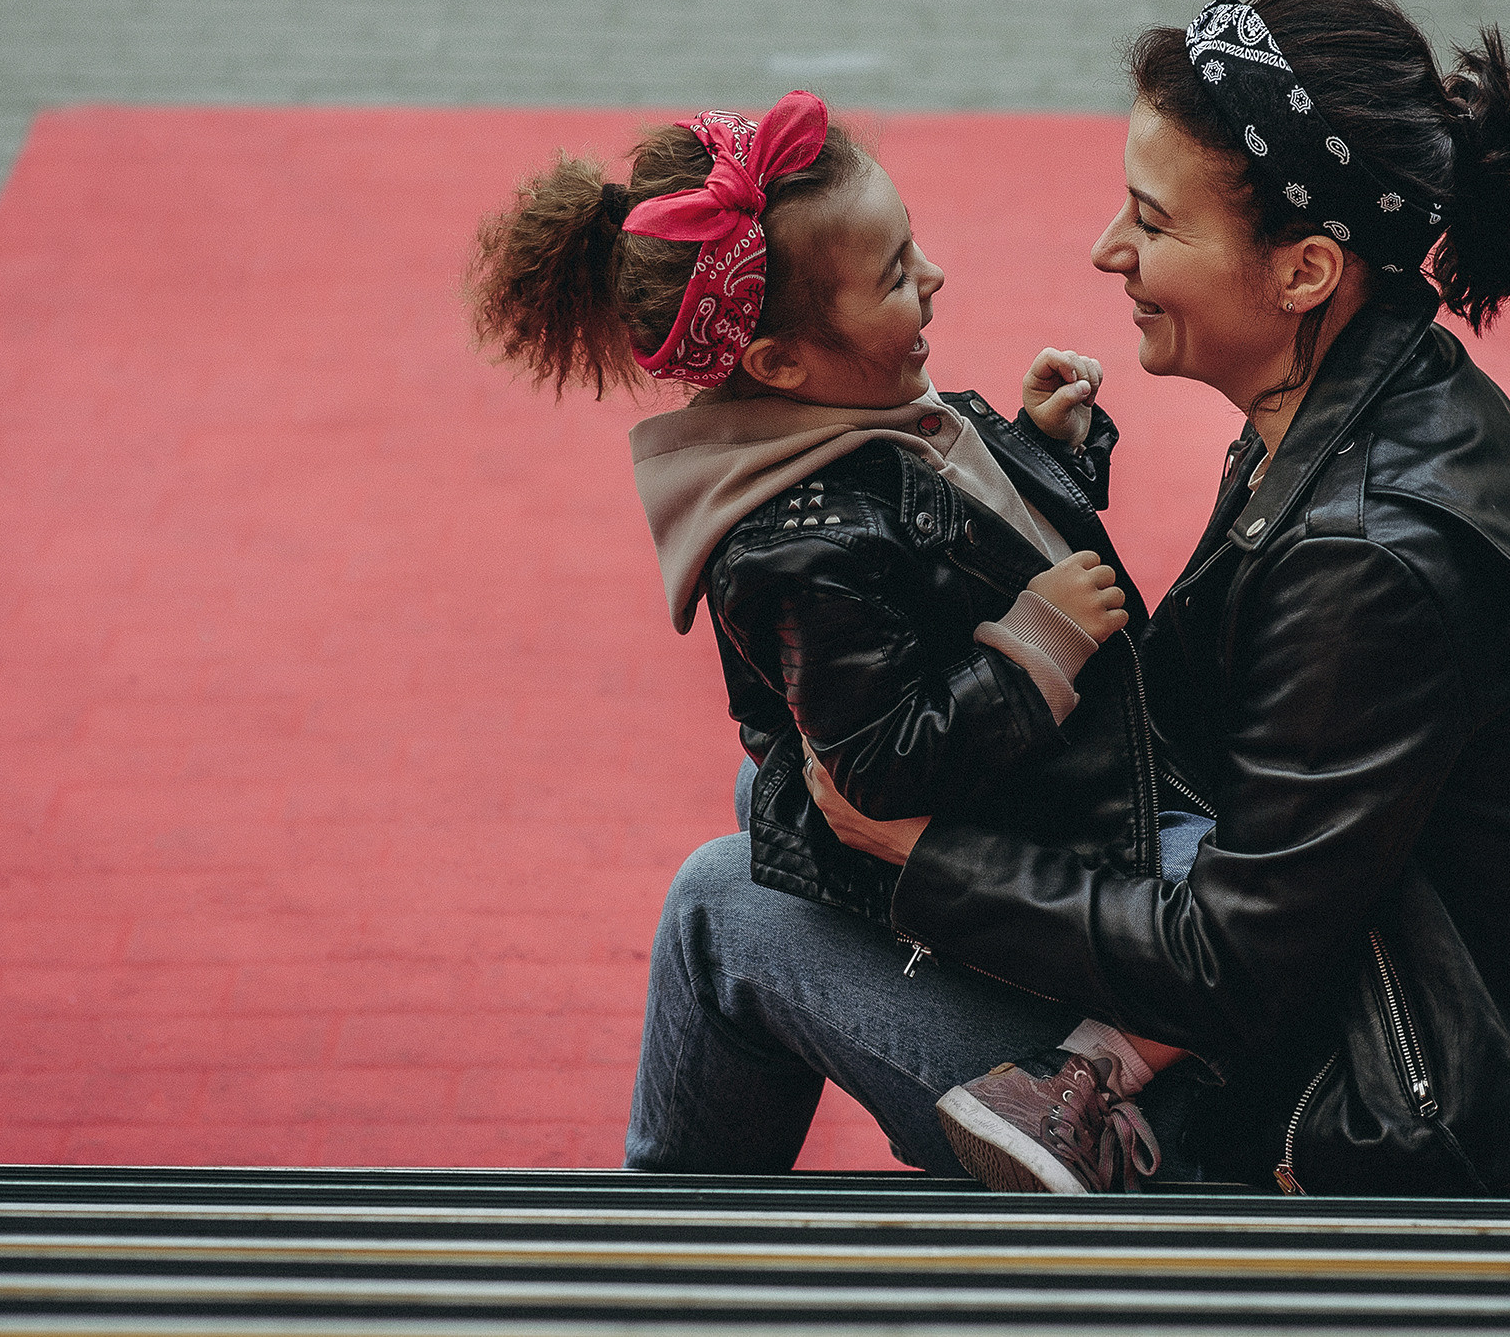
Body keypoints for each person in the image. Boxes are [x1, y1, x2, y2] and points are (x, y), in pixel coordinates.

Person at [677, 0, 1510, 1193]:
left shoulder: (1370, 551)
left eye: (1154, 219)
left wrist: (922, 854)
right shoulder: (1361, 395)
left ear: (1301, 271)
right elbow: (1203, 716)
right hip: (1337, 971)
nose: (1107, 249)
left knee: (725, 904)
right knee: (783, 814)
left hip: (1363, 1088)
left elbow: (1230, 965)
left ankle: (649, 1282)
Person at [466, 91, 1201, 1191]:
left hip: (1061, 850)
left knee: (729, 873)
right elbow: (883, 762)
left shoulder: (857, 429)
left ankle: (670, 1226)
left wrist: (1042, 448)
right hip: (1062, 848)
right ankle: (1072, 1089)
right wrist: (1036, 646)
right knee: (738, 866)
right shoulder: (797, 544)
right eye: (898, 273)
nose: (935, 278)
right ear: (780, 364)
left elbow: (956, 550)